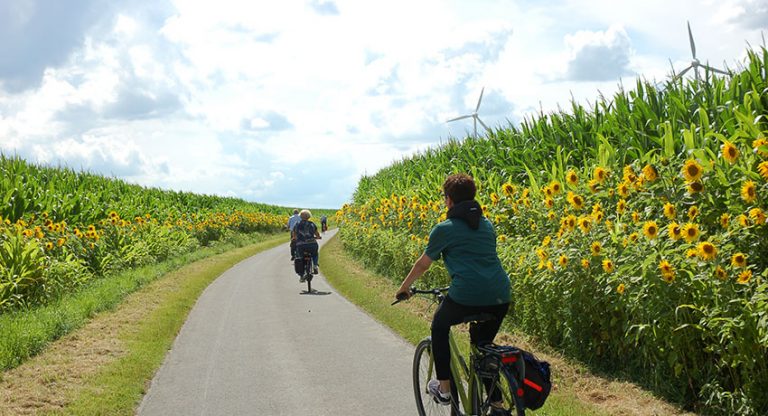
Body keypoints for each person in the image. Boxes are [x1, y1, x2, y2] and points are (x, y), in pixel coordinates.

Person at [395, 174, 510, 414]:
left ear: (448, 201)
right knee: (482, 346)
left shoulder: (444, 229)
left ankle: (445, 388)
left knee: (439, 325)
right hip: (500, 295)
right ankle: (497, 404)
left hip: (466, 295)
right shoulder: (487, 224)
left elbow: (423, 264)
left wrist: (404, 287)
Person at [292, 209, 322, 281]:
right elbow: (317, 234)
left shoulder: (297, 224)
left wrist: (295, 239)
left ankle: (301, 276)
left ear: (300, 216)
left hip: (301, 245)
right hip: (312, 244)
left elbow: (294, 235)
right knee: (315, 254)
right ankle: (315, 265)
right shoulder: (312, 224)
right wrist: (318, 237)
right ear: (309, 216)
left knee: (300, 258)